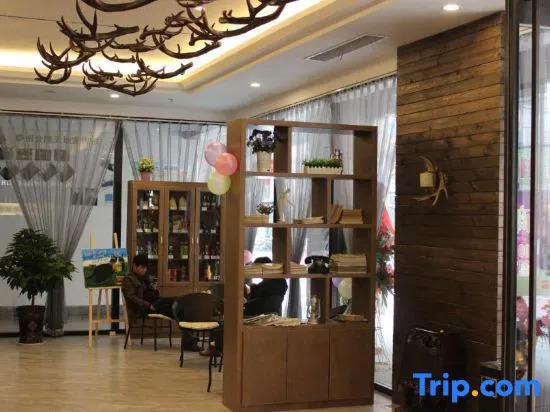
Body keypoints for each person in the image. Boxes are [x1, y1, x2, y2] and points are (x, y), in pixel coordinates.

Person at [122, 254, 198, 349]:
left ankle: (189, 341)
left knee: (180, 302)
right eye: (142, 267)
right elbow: (131, 298)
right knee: (177, 308)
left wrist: (152, 287)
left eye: (146, 268)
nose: (144, 270)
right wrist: (148, 305)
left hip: (156, 302)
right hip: (145, 308)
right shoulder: (128, 280)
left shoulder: (144, 278)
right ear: (134, 266)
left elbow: (152, 294)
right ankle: (189, 343)